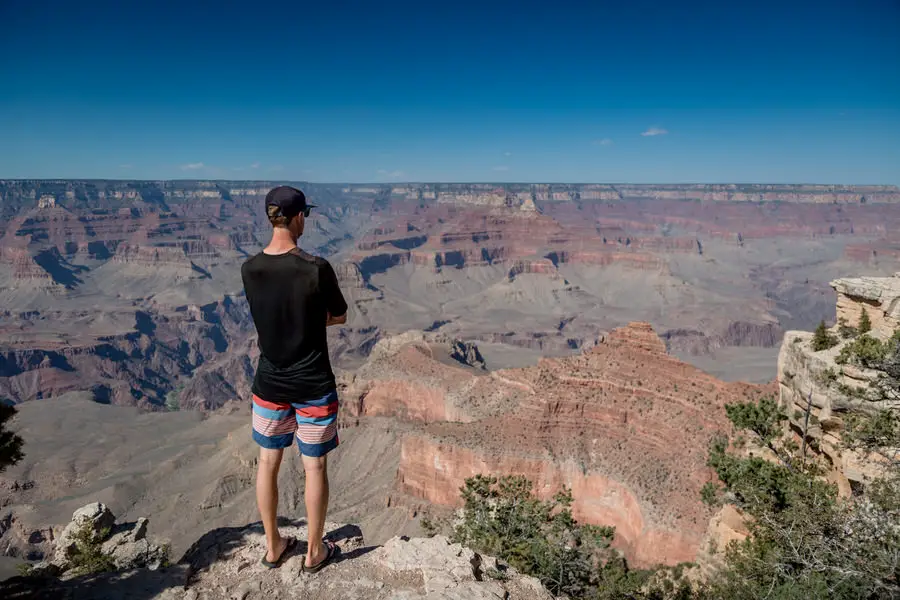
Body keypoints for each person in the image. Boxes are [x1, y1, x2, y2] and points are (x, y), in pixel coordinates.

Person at [240, 185, 348, 572]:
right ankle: (314, 551)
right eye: (307, 214)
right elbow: (339, 315)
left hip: (269, 381)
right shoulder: (315, 267)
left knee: (267, 462)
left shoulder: (249, 268)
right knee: (314, 467)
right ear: (299, 216)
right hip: (313, 383)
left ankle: (273, 545)